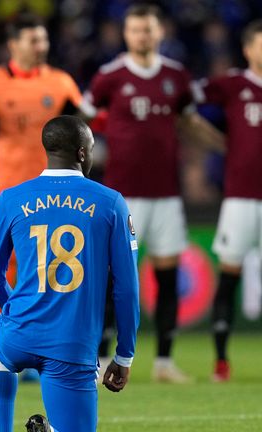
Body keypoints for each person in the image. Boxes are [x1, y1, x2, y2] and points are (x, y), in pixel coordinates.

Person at [79, 3, 222, 383]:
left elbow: (189, 122)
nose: (143, 36)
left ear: (160, 33)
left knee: (168, 276)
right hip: (122, 197)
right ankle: (99, 358)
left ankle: (163, 361)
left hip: (167, 194)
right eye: (136, 30)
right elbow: (84, 122)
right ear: (126, 35)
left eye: (148, 29)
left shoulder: (176, 77)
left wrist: (224, 146)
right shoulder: (109, 77)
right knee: (112, 278)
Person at [0, 115, 139, 432]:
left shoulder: (11, 199)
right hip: (71, 346)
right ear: (82, 153)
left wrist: (15, 308)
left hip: (18, 334)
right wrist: (124, 356)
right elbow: (126, 290)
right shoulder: (110, 203)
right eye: (92, 148)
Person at [0, 14, 83, 351]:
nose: (41, 47)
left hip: (53, 192)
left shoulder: (62, 83)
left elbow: (85, 129)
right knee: (0, 270)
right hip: (6, 191)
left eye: (44, 40)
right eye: (33, 40)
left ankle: (43, 348)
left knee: (50, 272)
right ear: (13, 44)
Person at [193, 20, 262, 382]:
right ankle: (221, 361)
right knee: (230, 275)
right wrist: (216, 141)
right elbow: (185, 101)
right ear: (248, 49)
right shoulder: (233, 85)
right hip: (240, 199)